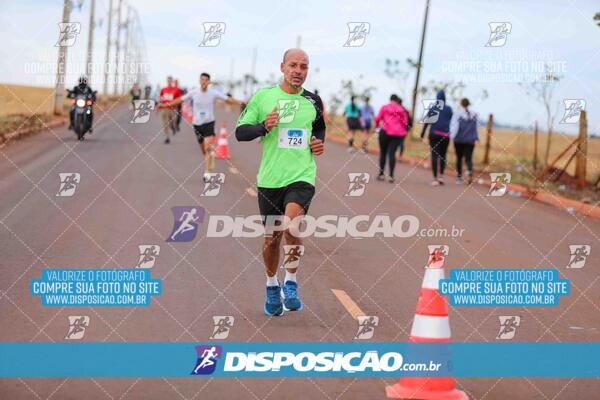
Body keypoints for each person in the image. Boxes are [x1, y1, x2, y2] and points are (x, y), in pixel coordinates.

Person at [235, 48, 325, 317]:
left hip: (302, 175)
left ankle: (291, 281)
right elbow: (241, 132)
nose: (299, 70)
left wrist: (317, 143)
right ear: (283, 67)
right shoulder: (264, 97)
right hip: (270, 179)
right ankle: (272, 285)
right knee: (272, 238)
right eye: (294, 65)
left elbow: (318, 127)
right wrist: (264, 126)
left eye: (304, 66)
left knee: (292, 225)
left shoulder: (314, 101)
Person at [162, 73, 244, 181]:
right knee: (204, 151)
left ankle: (208, 172)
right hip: (197, 124)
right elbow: (181, 99)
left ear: (209, 82)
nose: (204, 82)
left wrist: (240, 102)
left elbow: (227, 99)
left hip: (209, 123)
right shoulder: (194, 92)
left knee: (207, 147)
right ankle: (210, 160)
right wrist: (167, 104)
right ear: (199, 81)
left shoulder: (213, 93)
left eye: (206, 80)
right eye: (202, 80)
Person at [421, 90, 453, 186]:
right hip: (445, 136)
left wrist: (422, 133)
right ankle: (441, 176)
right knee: (443, 156)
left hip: (434, 134)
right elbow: (452, 121)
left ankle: (435, 178)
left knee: (434, 156)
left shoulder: (433, 108)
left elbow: (427, 122)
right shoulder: (449, 109)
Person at [375, 94, 408, 183]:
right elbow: (405, 123)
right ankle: (391, 176)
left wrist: (376, 126)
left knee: (383, 152)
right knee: (392, 154)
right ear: (397, 100)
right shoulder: (401, 109)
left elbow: (378, 118)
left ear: (390, 99)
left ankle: (381, 174)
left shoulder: (384, 107)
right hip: (397, 134)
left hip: (385, 132)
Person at [450, 98, 479, 184]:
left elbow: (454, 126)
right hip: (471, 140)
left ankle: (459, 177)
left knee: (459, 158)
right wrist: (477, 137)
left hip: (459, 140)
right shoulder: (474, 114)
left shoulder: (458, 114)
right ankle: (469, 170)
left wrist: (452, 136)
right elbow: (476, 127)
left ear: (461, 104)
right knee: (468, 158)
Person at [157, 76, 182, 144]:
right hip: (165, 108)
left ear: (172, 81)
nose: (169, 81)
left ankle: (173, 127)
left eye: (170, 80)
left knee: (173, 121)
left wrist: (178, 105)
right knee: (165, 123)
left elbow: (180, 98)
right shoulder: (163, 89)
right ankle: (167, 137)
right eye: (168, 80)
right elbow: (161, 98)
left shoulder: (176, 89)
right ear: (167, 81)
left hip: (173, 108)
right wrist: (159, 106)